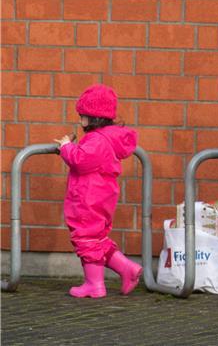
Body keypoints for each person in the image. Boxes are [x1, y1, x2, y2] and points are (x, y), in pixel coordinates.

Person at [54, 84, 142, 298]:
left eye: (82, 115)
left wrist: (66, 147)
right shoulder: (107, 138)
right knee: (98, 238)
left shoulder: (97, 140)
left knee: (85, 238)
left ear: (93, 117)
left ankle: (94, 285)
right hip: (101, 196)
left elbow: (81, 160)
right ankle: (127, 269)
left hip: (88, 198)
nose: (79, 120)